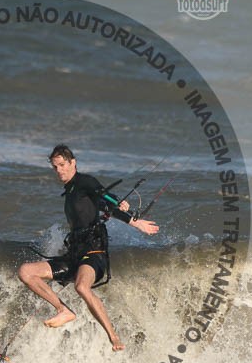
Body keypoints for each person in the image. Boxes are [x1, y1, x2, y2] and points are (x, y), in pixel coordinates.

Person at [18, 145, 159, 351]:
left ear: (73, 162)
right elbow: (101, 204)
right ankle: (63, 310)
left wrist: (132, 219)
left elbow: (103, 196)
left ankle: (113, 336)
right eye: (55, 167)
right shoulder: (70, 191)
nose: (59, 170)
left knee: (82, 287)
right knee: (26, 271)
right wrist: (111, 204)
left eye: (62, 165)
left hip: (94, 252)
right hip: (75, 254)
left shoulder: (84, 182)